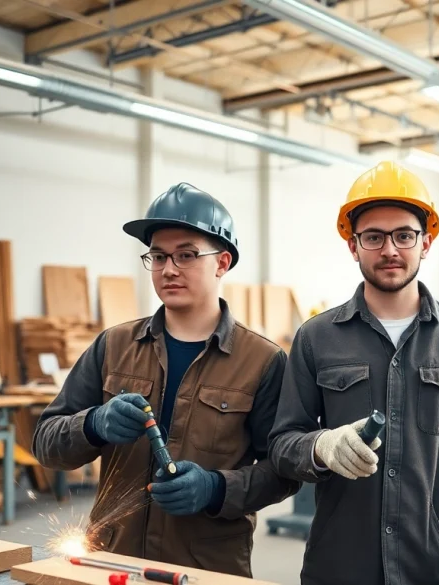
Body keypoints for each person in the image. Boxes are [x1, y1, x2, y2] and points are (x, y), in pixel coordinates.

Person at [268, 161, 439, 585]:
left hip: (435, 566)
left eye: (404, 235)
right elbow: (282, 442)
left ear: (426, 243)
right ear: (353, 246)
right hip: (340, 566)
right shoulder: (316, 338)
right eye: (373, 237)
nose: (390, 249)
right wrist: (322, 446)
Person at [32, 183, 300, 577]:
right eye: (158, 256)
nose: (169, 269)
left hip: (207, 568)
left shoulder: (262, 361)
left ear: (222, 262)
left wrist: (216, 488)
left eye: (186, 255)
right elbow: (45, 443)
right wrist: (92, 424)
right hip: (112, 561)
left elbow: (283, 472)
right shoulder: (113, 345)